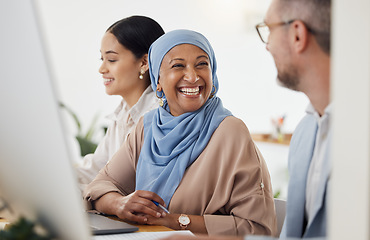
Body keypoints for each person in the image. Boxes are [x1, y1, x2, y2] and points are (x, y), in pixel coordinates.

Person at [161, 0, 331, 239]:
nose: (267, 46)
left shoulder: (355, 131)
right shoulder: (306, 131)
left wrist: (181, 224)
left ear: (297, 35)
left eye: (268, 31)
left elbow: (255, 226)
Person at [83, 29, 277, 236]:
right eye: (178, 66)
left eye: (202, 64)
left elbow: (257, 228)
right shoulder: (148, 126)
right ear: (157, 80)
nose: (193, 76)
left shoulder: (230, 132)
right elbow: (100, 186)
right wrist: (119, 204)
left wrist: (174, 220)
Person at [75, 16, 165, 191]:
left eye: (112, 59)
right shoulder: (122, 114)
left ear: (144, 62)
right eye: (102, 59)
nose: (102, 69)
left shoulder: (159, 117)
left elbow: (122, 186)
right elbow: (94, 169)